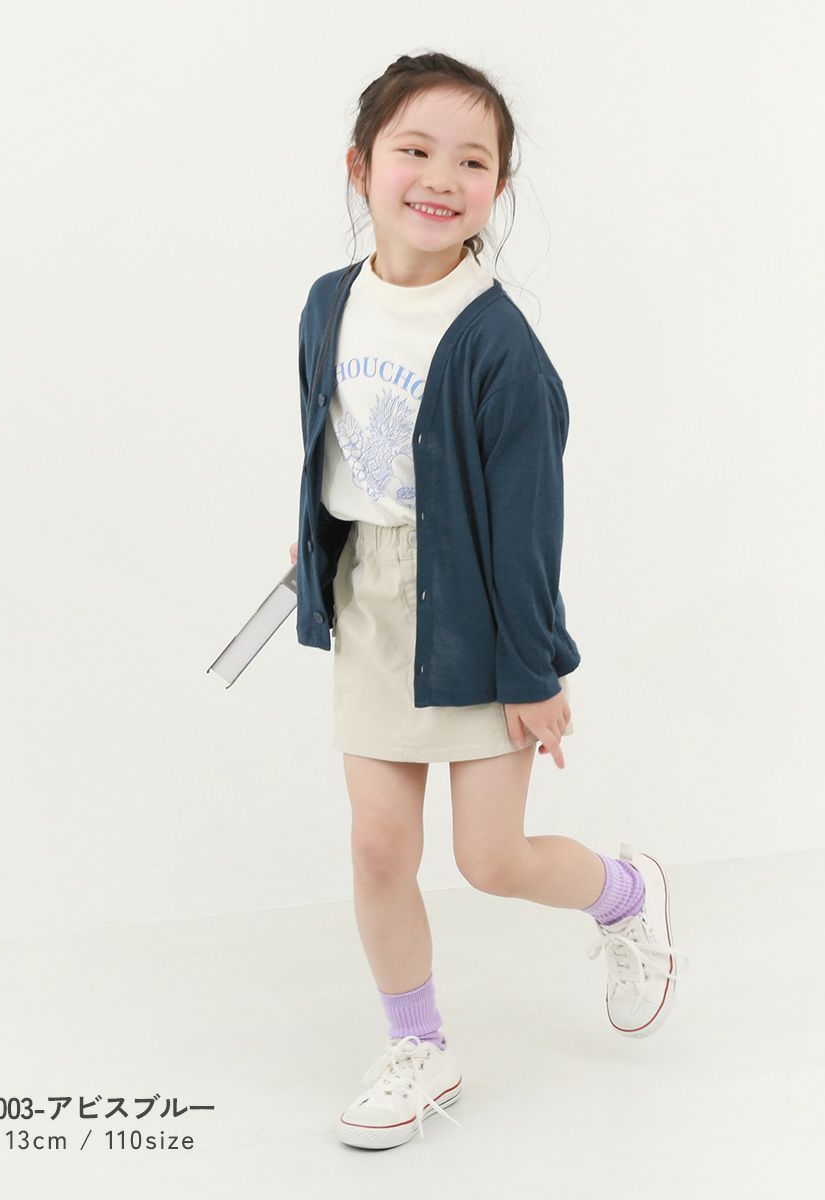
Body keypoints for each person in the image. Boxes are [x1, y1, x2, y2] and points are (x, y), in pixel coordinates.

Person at [288, 51, 689, 1151]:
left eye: (472, 161)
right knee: (379, 847)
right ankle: (418, 1044)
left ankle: (623, 894)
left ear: (497, 188)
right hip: (373, 603)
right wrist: (316, 547)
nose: (440, 177)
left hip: (475, 609)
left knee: (489, 860)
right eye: (414, 150)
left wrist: (534, 669)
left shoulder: (499, 345)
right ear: (361, 167)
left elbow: (527, 526)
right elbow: (332, 440)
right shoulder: (328, 303)